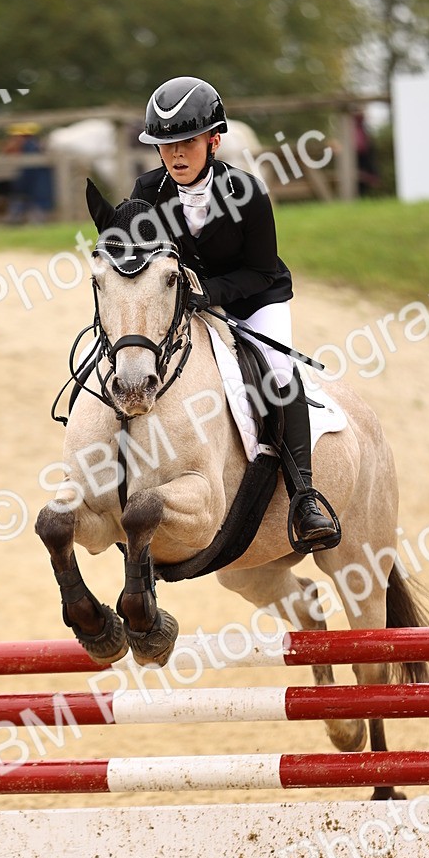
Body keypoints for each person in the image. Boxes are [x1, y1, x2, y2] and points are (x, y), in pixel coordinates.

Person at [131, 75, 338, 550]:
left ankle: (305, 495)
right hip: (187, 305)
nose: (176, 155)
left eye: (186, 142)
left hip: (254, 298)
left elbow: (262, 271)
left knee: (277, 373)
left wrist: (207, 291)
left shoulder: (249, 192)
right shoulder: (146, 191)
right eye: (165, 146)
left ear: (213, 139)